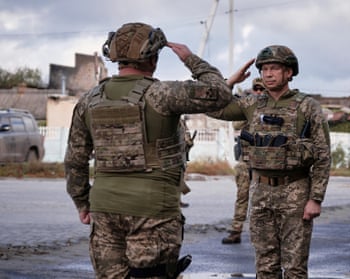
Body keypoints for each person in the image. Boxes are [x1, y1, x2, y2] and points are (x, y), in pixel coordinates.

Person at [64, 22, 232, 279]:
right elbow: (221, 93)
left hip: (104, 209)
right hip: (154, 211)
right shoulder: (163, 94)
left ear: (115, 58)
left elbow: (74, 161)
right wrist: (190, 59)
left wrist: (82, 203)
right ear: (153, 58)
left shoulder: (89, 100)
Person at [209, 45, 331, 278]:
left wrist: (315, 198)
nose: (268, 74)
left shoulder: (308, 106)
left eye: (275, 68)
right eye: (264, 69)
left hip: (295, 191)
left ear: (289, 73)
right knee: (265, 266)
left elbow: (323, 156)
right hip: (261, 191)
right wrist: (230, 82)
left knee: (294, 267)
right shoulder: (251, 104)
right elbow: (213, 109)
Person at [222, 78, 265, 244]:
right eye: (257, 89)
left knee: (262, 199)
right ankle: (236, 230)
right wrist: (249, 110)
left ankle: (260, 233)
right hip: (245, 160)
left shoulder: (273, 108)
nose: (259, 93)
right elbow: (236, 125)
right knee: (242, 197)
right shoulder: (248, 107)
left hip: (265, 162)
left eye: (262, 90)